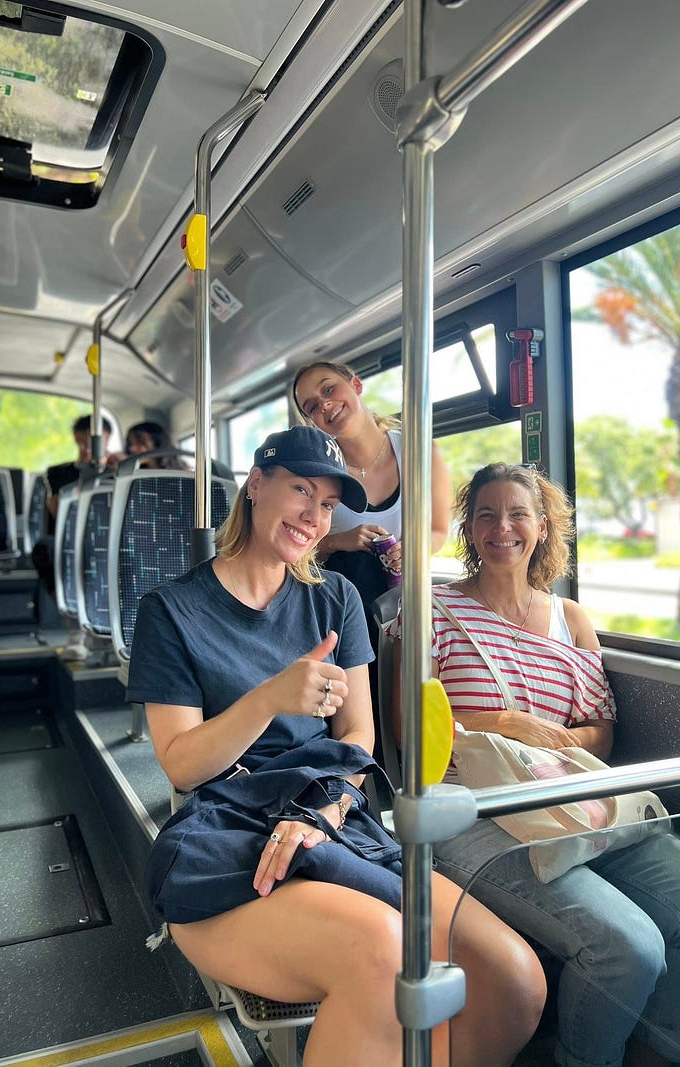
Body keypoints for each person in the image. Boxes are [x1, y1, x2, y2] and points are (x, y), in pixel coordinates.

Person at [126, 427, 545, 1067]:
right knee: (385, 951)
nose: (313, 516)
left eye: (327, 504)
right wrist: (269, 697)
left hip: (329, 817)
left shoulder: (335, 599)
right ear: (256, 485)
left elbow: (359, 734)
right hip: (230, 832)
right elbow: (181, 762)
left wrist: (321, 811)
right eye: (300, 489)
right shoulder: (172, 610)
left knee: (514, 979)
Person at [388, 462, 680, 1067]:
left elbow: (600, 733)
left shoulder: (570, 619)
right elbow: (411, 733)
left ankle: (655, 1051)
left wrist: (545, 745)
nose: (503, 527)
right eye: (487, 515)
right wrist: (503, 724)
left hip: (572, 796)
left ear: (543, 526)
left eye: (518, 514)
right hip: (477, 810)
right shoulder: (432, 613)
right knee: (628, 948)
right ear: (469, 530)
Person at [292, 360, 452, 726]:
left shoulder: (419, 451)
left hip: (405, 597)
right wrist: (338, 540)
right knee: (356, 572)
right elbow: (295, 551)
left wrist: (412, 550)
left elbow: (439, 529)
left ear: (357, 385)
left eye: (328, 389)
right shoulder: (317, 470)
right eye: (312, 407)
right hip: (344, 601)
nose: (324, 405)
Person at [31, 414, 111, 659]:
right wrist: (84, 477)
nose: (86, 448)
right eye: (81, 443)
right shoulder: (59, 473)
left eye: (92, 442)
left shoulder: (120, 470)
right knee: (47, 550)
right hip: (69, 535)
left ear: (106, 440)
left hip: (109, 536)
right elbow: (58, 510)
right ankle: (75, 629)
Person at [113, 420, 235, 480]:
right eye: (131, 443)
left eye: (140, 442)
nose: (132, 448)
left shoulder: (184, 473)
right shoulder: (132, 474)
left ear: (157, 443)